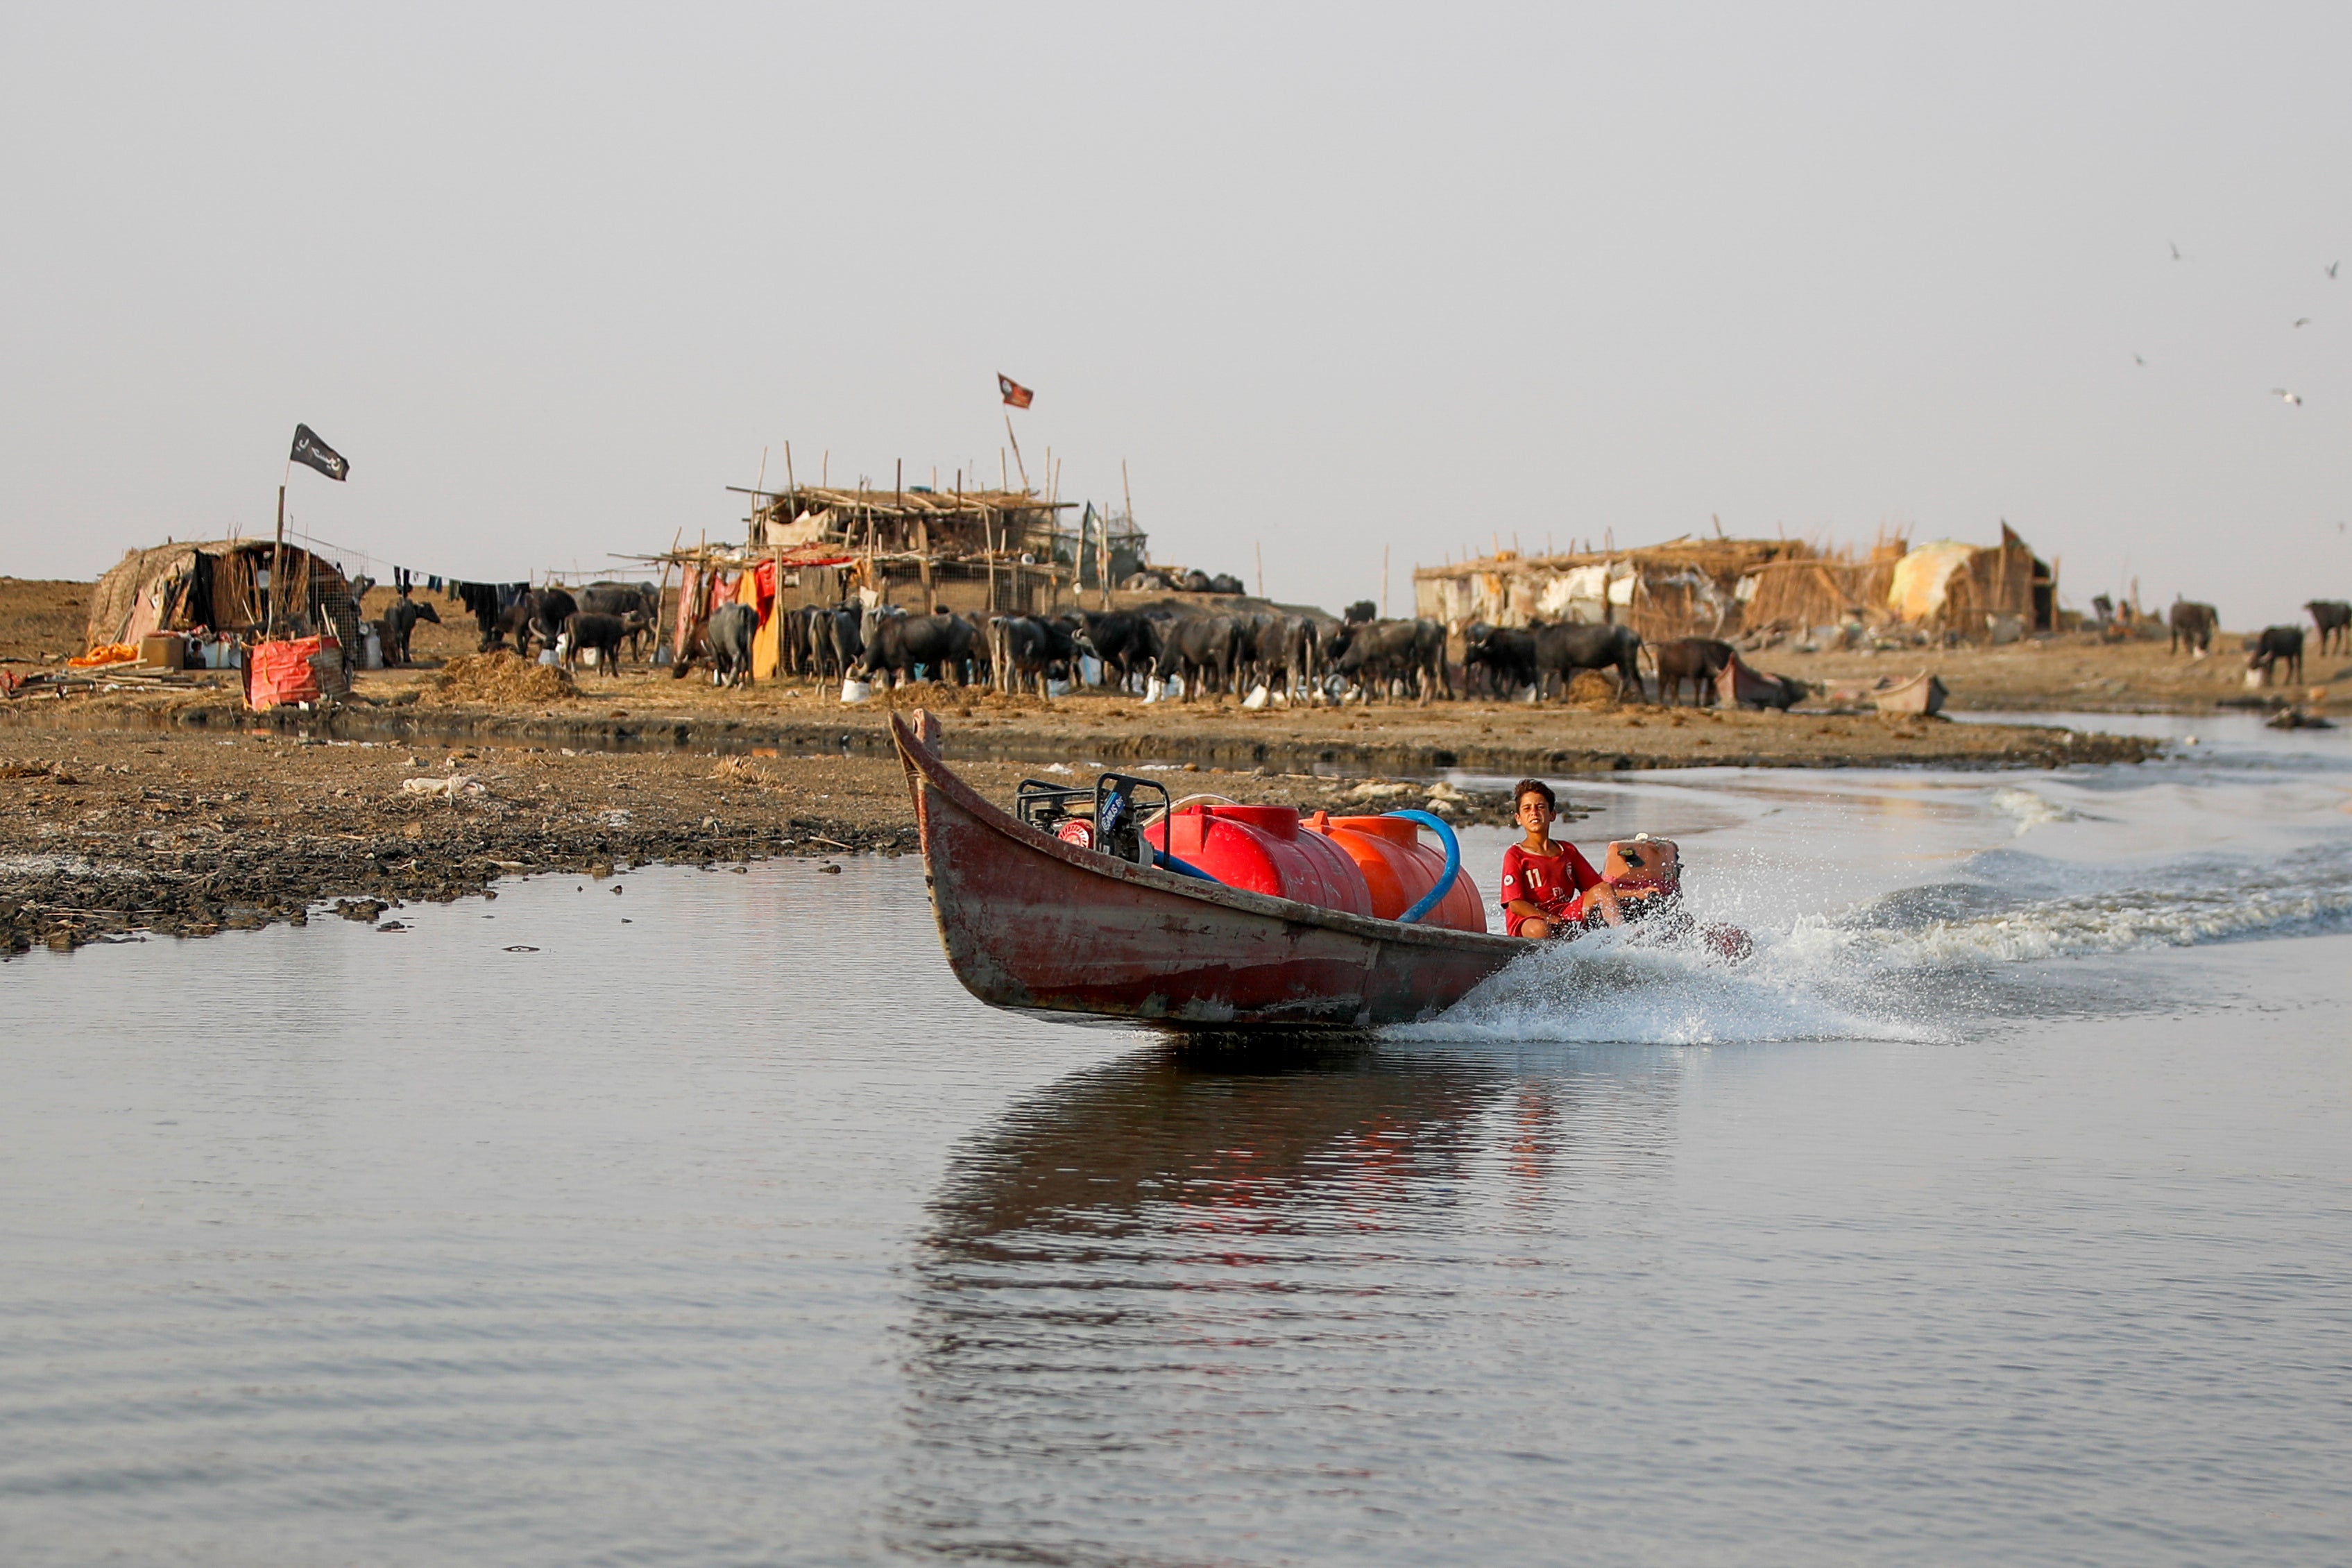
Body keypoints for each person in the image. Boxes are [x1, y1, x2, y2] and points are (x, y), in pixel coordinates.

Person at [1500, 778, 1622, 939]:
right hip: (1530, 920)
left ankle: (1621, 939)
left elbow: (1597, 887)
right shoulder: (1515, 855)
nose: (1534, 813)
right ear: (1518, 818)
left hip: (1563, 914)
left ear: (1552, 815)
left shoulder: (1567, 851)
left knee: (1603, 890)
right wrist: (1550, 918)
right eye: (1527, 809)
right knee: (1540, 929)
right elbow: (1515, 904)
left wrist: (1640, 893)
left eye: (1540, 807)